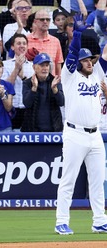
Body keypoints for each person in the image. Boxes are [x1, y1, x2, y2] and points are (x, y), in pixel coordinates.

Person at [55, 13, 107, 235]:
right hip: (75, 133)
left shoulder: (96, 75)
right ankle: (61, 221)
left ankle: (99, 220)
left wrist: (89, 32)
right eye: (86, 60)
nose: (89, 62)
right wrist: (76, 34)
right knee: (69, 179)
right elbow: (74, 52)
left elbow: (99, 54)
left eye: (90, 60)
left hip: (95, 135)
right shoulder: (69, 77)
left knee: (98, 180)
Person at [21, 53, 64, 132]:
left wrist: (55, 89)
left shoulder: (55, 81)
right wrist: (34, 88)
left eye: (47, 65)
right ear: (34, 67)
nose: (45, 68)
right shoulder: (27, 83)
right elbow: (27, 103)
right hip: (32, 130)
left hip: (54, 130)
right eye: (42, 65)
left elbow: (61, 102)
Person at [2, 33, 34, 130]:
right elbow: (5, 87)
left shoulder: (33, 66)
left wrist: (23, 77)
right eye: (18, 43)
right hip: (11, 109)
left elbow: (34, 87)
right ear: (12, 47)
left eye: (24, 43)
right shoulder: (5, 65)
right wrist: (16, 69)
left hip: (28, 109)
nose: (22, 46)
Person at [27, 8, 64, 76]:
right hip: (30, 82)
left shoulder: (55, 41)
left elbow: (58, 66)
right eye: (42, 19)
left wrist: (58, 83)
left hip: (50, 83)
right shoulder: (26, 40)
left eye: (48, 19)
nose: (45, 21)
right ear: (35, 21)